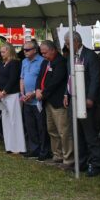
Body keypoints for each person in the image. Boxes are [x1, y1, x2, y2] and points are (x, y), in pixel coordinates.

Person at [64, 31, 100, 177]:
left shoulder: (90, 55)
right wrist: (65, 94)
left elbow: (95, 78)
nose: (67, 47)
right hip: (73, 99)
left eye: (69, 44)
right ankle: (81, 162)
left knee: (90, 134)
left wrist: (91, 97)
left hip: (86, 100)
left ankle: (96, 164)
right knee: (76, 133)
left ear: (77, 42)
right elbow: (69, 77)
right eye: (66, 44)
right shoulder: (70, 57)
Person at [36, 40, 73, 169]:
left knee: (63, 131)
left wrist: (43, 93)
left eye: (45, 53)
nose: (43, 55)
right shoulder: (45, 62)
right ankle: (57, 156)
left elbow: (55, 81)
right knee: (52, 130)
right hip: (47, 102)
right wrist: (37, 89)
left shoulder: (61, 62)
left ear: (53, 50)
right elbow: (40, 77)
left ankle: (68, 158)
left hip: (57, 102)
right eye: (42, 53)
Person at [0, 43, 26, 154]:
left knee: (14, 120)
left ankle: (18, 147)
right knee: (6, 121)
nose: (1, 54)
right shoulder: (2, 64)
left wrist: (4, 91)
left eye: (3, 52)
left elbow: (13, 79)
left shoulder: (15, 63)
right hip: (2, 96)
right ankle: (9, 146)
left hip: (12, 95)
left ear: (9, 51)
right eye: (1, 52)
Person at [20, 39, 49, 159]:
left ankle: (44, 151)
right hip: (26, 99)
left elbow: (44, 81)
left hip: (38, 99)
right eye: (24, 49)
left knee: (41, 126)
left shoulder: (43, 61)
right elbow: (22, 78)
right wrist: (22, 93)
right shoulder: (24, 62)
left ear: (35, 50)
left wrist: (33, 93)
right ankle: (34, 148)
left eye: (27, 50)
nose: (25, 52)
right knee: (30, 125)